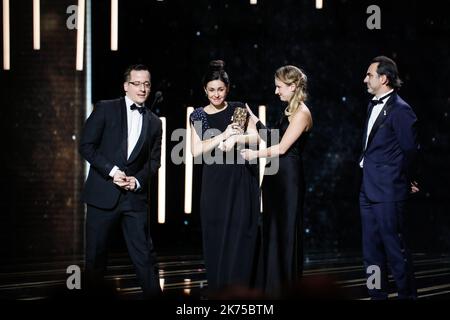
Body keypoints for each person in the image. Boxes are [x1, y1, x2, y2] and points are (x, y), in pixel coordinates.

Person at [79, 64, 162, 298]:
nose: (142, 88)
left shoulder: (155, 122)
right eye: (137, 83)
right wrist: (113, 171)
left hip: (134, 199)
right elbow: (86, 146)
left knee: (145, 257)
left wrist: (136, 181)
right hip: (102, 195)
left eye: (146, 83)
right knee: (95, 260)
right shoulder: (106, 109)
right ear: (126, 86)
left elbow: (153, 162)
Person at [189, 60, 261, 294]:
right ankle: (220, 292)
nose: (216, 94)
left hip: (241, 179)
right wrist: (223, 135)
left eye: (220, 89)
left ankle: (242, 291)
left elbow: (256, 138)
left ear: (227, 89)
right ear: (205, 90)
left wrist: (236, 138)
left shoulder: (239, 109)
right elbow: (196, 150)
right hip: (215, 183)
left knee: (241, 235)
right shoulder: (198, 115)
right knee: (216, 235)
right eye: (211, 90)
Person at [241, 65, 313, 297]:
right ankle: (271, 287)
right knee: (271, 230)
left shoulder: (302, 113)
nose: (276, 91)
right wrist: (256, 123)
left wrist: (254, 155)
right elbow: (275, 137)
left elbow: (282, 147)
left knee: (285, 232)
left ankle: (285, 288)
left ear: (293, 87)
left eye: (279, 87)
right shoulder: (288, 111)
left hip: (288, 181)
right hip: (275, 177)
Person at [359, 56, 419, 299]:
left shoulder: (402, 110)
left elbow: (410, 150)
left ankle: (407, 297)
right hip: (368, 188)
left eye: (369, 75)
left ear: (383, 78)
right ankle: (377, 297)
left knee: (395, 251)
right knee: (371, 253)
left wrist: (407, 179)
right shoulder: (372, 104)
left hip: (388, 191)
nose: (365, 79)